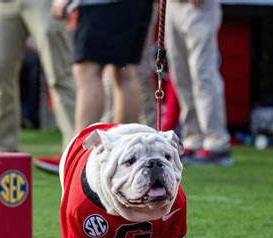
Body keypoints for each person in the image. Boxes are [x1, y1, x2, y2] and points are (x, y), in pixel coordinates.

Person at [0, 0, 76, 171]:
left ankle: (74, 155)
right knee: (1, 80)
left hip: (43, 3)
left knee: (60, 77)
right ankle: (3, 153)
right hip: (3, 4)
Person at [52, 0, 153, 133]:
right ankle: (123, 143)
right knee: (124, 71)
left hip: (104, 4)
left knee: (87, 69)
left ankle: (84, 147)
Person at [165, 0, 232, 165]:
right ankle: (192, 138)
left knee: (203, 74)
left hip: (199, 6)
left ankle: (217, 142)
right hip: (171, 5)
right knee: (180, 76)